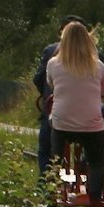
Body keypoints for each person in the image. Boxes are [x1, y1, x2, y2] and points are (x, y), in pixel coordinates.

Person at [47, 21, 104, 205]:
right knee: (97, 161)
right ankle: (95, 197)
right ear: (88, 41)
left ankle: (53, 195)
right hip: (91, 124)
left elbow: (51, 84)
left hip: (62, 122)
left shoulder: (53, 64)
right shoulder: (98, 66)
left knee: (55, 159)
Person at [32, 15, 83, 178]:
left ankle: (47, 186)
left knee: (46, 149)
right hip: (87, 115)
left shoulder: (51, 52)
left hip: (56, 110)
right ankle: (87, 174)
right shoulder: (96, 55)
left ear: (62, 31)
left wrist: (47, 95)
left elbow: (39, 79)